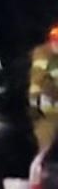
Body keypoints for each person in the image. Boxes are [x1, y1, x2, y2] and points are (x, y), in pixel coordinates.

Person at [30, 24, 58, 154]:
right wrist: (34, 105)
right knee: (45, 148)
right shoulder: (43, 54)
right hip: (46, 111)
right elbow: (36, 81)